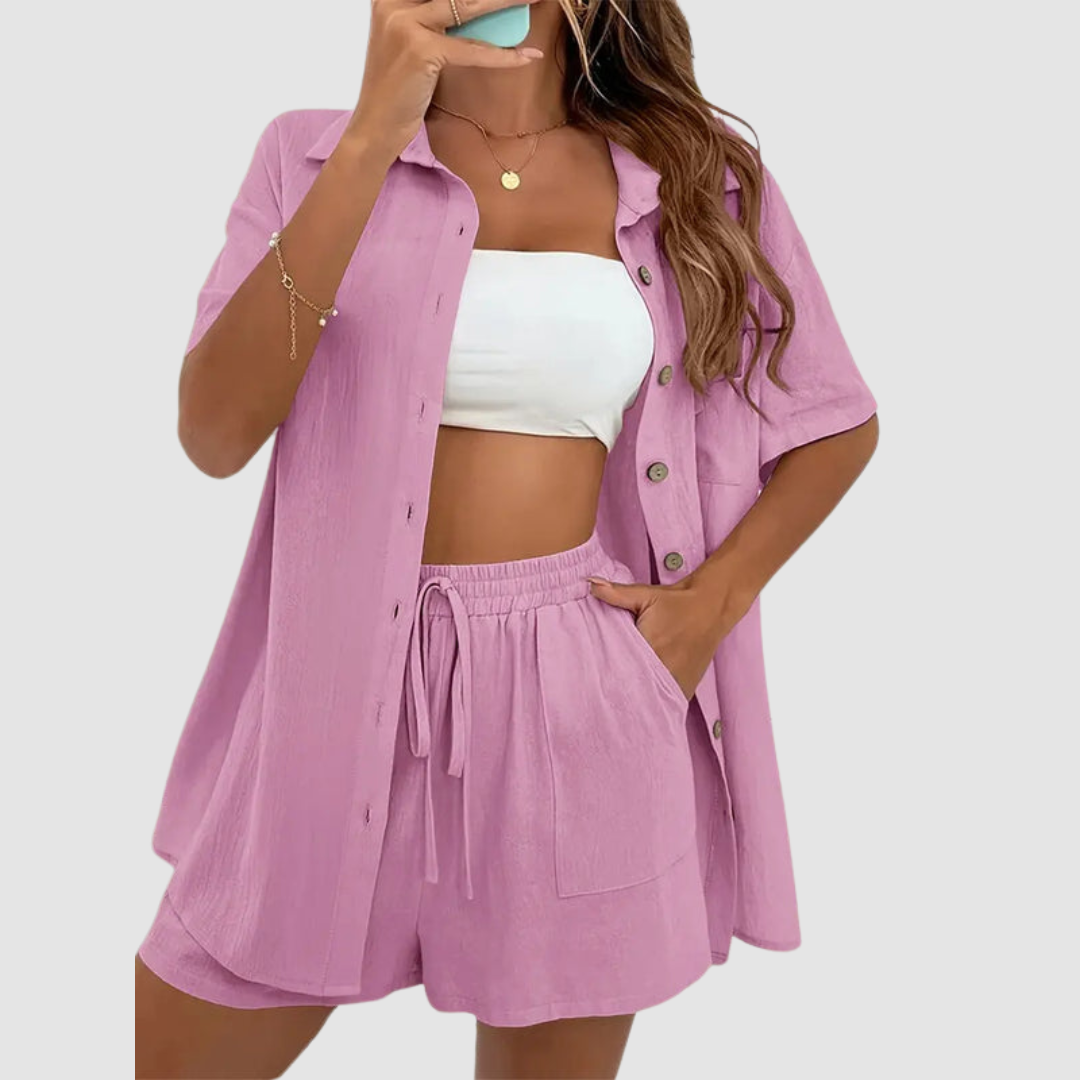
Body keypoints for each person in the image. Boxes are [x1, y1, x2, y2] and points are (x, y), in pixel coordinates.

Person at [134, 1, 880, 1076]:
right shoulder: (308, 154)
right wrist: (372, 138)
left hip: (581, 696)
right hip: (330, 697)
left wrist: (703, 614)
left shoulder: (694, 177)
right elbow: (213, 432)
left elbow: (834, 421)